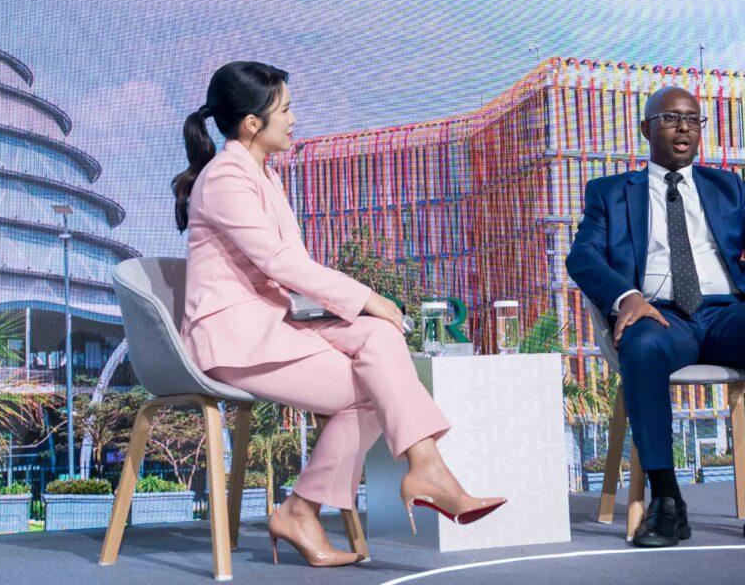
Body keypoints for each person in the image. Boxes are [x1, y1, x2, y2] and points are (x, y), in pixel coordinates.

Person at [174, 61, 505, 567]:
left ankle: (420, 469)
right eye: (285, 110)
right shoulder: (224, 178)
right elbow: (280, 263)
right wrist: (367, 296)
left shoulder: (263, 174)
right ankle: (314, 506)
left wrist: (362, 310)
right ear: (253, 123)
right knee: (375, 385)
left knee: (380, 340)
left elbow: (290, 268)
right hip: (234, 341)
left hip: (273, 326)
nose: (294, 119)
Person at [565, 85, 745, 548]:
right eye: (670, 117)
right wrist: (626, 297)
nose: (683, 127)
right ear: (646, 129)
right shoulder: (609, 193)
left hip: (728, 316)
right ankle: (667, 501)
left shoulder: (727, 187)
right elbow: (582, 257)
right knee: (640, 344)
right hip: (661, 318)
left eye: (693, 119)